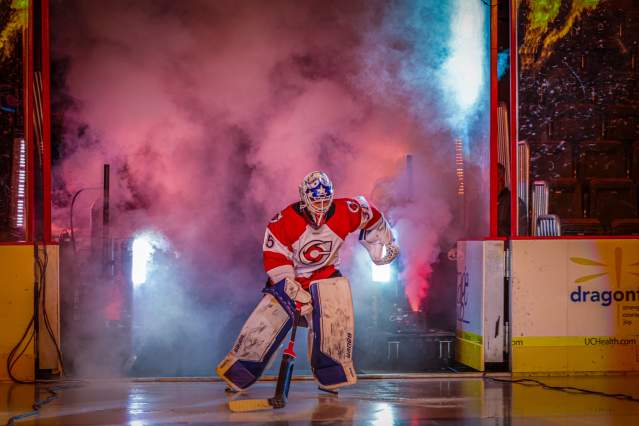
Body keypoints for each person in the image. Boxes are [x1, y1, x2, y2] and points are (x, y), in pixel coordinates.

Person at [216, 171, 399, 393]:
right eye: (316, 201)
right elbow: (275, 259)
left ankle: (332, 377)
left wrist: (385, 245)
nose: (321, 207)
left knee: (336, 326)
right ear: (304, 198)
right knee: (264, 326)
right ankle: (238, 375)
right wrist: (292, 292)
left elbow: (372, 217)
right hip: (291, 280)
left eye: (325, 200)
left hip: (326, 276)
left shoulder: (346, 210)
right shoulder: (283, 221)